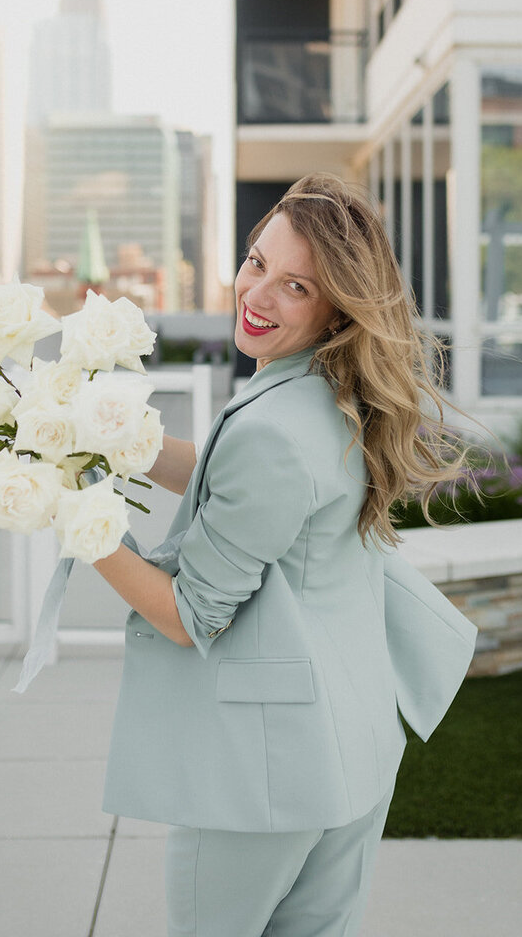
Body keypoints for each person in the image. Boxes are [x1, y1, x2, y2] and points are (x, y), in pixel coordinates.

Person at [91, 173, 478, 937]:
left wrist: (77, 523)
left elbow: (188, 616)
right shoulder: (334, 394)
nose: (257, 293)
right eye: (257, 261)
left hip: (268, 771)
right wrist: (115, 443)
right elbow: (248, 491)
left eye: (294, 284)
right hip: (354, 744)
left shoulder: (278, 424)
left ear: (337, 306)